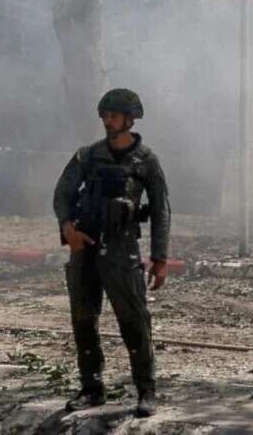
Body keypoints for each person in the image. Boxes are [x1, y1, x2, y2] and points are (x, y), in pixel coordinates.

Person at [52, 88, 171, 415]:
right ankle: (91, 388)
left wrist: (160, 259)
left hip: (122, 250)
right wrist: (68, 230)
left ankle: (146, 390)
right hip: (85, 248)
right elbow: (62, 194)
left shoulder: (145, 161)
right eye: (104, 116)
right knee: (83, 319)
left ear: (130, 119)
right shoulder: (87, 156)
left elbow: (160, 210)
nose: (107, 121)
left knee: (134, 321)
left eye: (114, 116)